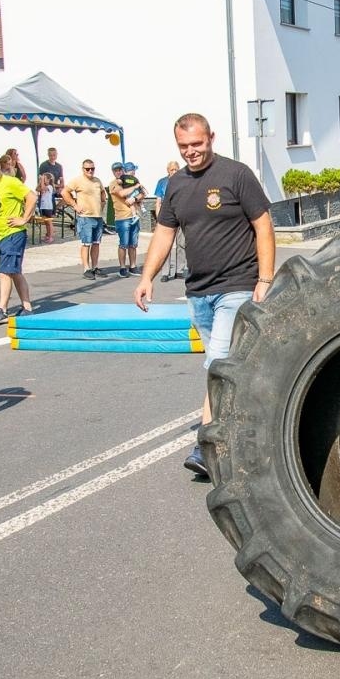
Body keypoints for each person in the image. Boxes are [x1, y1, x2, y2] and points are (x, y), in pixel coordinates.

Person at [134, 113, 274, 477]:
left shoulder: (236, 174)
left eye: (197, 144)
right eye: (184, 147)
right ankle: (246, 436)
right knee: (231, 371)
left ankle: (204, 445)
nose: (191, 152)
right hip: (199, 292)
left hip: (237, 286)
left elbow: (263, 224)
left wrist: (265, 277)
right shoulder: (176, 184)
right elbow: (164, 234)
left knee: (217, 364)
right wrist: (146, 276)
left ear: (211, 137)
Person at [0, 153, 33, 324]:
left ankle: (2, 309)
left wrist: (24, 218)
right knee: (14, 271)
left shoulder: (11, 182)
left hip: (14, 233)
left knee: (4, 271)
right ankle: (27, 307)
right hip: (1, 234)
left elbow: (32, 196)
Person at [63, 157, 107, 280]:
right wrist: (74, 205)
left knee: (96, 243)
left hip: (97, 216)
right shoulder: (77, 181)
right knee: (86, 243)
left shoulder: (97, 181)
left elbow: (103, 193)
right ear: (83, 169)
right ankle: (86, 268)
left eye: (92, 168)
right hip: (85, 217)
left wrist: (102, 204)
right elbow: (64, 192)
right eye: (87, 169)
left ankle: (95, 267)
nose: (90, 171)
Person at [154, 161, 187, 282]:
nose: (174, 172)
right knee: (166, 245)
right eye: (172, 169)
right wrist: (159, 218)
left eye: (176, 169)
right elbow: (158, 201)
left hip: (180, 215)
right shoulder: (162, 182)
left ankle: (179, 270)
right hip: (167, 216)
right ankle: (165, 272)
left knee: (181, 244)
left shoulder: (184, 181)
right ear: (168, 170)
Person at [109, 161, 143, 277]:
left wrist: (135, 199)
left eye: (120, 170)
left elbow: (142, 192)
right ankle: (122, 267)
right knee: (123, 244)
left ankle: (133, 266)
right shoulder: (114, 184)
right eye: (116, 170)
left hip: (134, 216)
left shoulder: (129, 179)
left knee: (133, 244)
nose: (118, 172)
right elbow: (122, 193)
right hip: (122, 218)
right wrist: (135, 187)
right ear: (113, 172)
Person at [35, 171, 56, 243]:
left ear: (49, 180)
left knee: (49, 222)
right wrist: (40, 181)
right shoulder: (43, 185)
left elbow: (43, 188)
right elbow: (37, 189)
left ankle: (51, 236)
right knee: (46, 222)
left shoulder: (50, 187)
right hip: (43, 206)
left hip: (48, 207)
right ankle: (47, 235)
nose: (44, 181)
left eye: (45, 179)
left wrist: (41, 181)